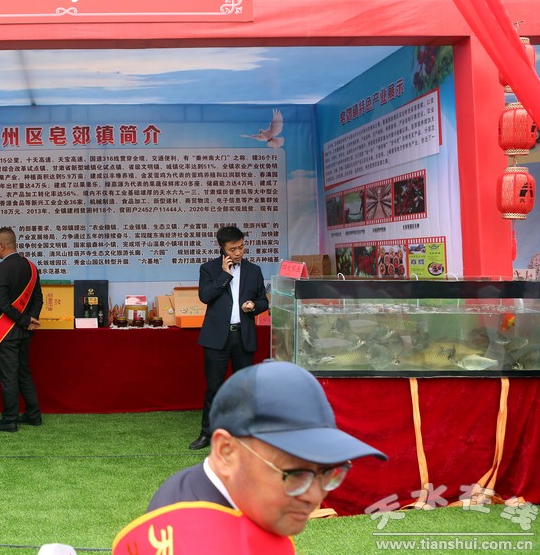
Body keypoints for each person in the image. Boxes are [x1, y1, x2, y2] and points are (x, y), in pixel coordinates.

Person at [148, 361, 387, 537]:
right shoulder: (191, 536)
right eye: (295, 474)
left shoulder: (227, 501)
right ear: (226, 452)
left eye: (327, 473)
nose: (315, 497)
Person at [189, 226, 269, 451]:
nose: (238, 252)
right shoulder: (209, 269)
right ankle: (207, 433)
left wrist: (254, 306)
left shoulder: (254, 270)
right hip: (217, 338)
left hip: (243, 336)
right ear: (222, 248)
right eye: (233, 249)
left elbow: (263, 301)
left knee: (243, 389)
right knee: (214, 388)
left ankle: (243, 434)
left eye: (241, 247)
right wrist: (225, 275)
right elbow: (205, 296)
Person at [0, 227, 43, 433]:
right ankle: (33, 415)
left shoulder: (0, 270)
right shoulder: (31, 267)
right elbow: (38, 299)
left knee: (9, 377)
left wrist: (24, 320)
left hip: (7, 333)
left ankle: (9, 419)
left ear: (2, 245)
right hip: (24, 332)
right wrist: (30, 320)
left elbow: (2, 304)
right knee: (23, 373)